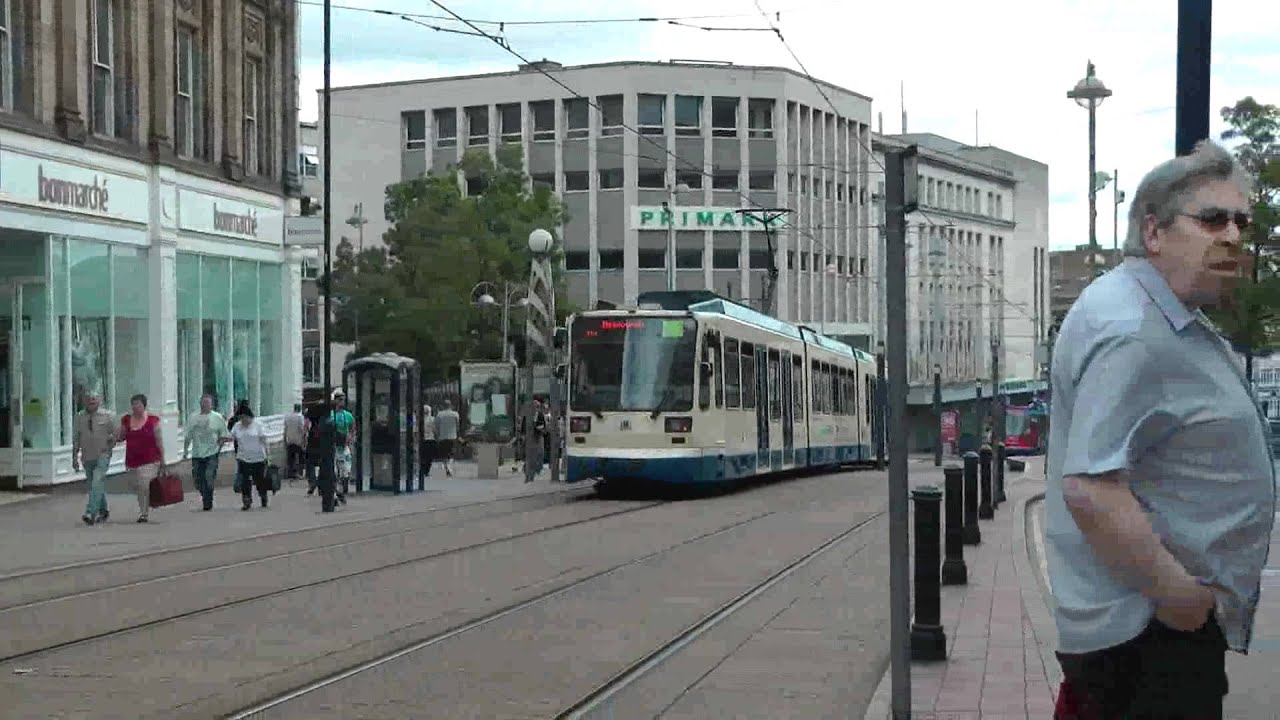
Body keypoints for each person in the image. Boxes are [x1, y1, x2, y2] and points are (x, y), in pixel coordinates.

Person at [1044, 140, 1275, 720]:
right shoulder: (1132, 328)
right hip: (1149, 636)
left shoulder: (1153, 314)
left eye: (1240, 222)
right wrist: (1183, 602)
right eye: (1212, 218)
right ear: (1153, 232)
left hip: (1148, 632)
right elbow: (1091, 487)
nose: (1232, 235)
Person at [117, 394, 166, 523]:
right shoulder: (126, 420)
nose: (135, 406)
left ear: (144, 405)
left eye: (138, 404)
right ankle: (143, 507)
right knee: (137, 486)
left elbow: (159, 441)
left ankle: (144, 514)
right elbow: (121, 436)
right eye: (133, 404)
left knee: (144, 484)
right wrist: (112, 438)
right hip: (132, 460)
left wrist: (163, 460)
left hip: (150, 459)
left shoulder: (153, 420)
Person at [72, 392, 116, 525]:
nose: (92, 401)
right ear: (84, 401)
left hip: (102, 454)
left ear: (100, 401)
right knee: (94, 484)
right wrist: (74, 457)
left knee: (97, 480)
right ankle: (103, 510)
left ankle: (90, 512)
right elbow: (76, 438)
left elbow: (116, 434)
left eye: (94, 399)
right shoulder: (79, 417)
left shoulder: (108, 416)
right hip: (87, 455)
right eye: (89, 399)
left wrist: (110, 444)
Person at [182, 393, 227, 511]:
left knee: (208, 476)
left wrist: (218, 449)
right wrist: (186, 450)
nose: (205, 405)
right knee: (198, 478)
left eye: (208, 403)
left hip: (212, 453)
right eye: (203, 402)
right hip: (197, 453)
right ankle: (204, 494)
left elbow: (223, 435)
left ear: (212, 405)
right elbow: (188, 435)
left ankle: (208, 499)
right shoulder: (193, 418)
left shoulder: (217, 418)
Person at [224, 407, 272, 510]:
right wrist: (222, 439)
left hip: (258, 459)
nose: (243, 420)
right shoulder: (237, 426)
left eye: (245, 417)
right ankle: (247, 501)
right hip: (243, 458)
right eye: (241, 418)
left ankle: (263, 496)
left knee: (260, 481)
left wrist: (268, 456)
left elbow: (264, 440)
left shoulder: (258, 425)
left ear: (250, 416)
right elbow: (231, 437)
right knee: (245, 481)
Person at [434, 399, 460, 476]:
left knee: (444, 454)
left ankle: (447, 467)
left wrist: (437, 435)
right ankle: (449, 467)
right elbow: (457, 425)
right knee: (451, 453)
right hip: (452, 436)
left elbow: (437, 426)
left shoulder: (439, 415)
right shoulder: (455, 414)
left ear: (443, 406)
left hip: (443, 436)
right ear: (450, 405)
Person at [282, 403, 307, 481]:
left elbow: (285, 429)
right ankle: (299, 473)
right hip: (298, 440)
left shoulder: (288, 417)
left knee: (291, 457)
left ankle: (291, 473)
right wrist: (304, 439)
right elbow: (302, 429)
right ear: (300, 409)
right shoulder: (300, 417)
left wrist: (285, 439)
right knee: (300, 457)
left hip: (289, 439)